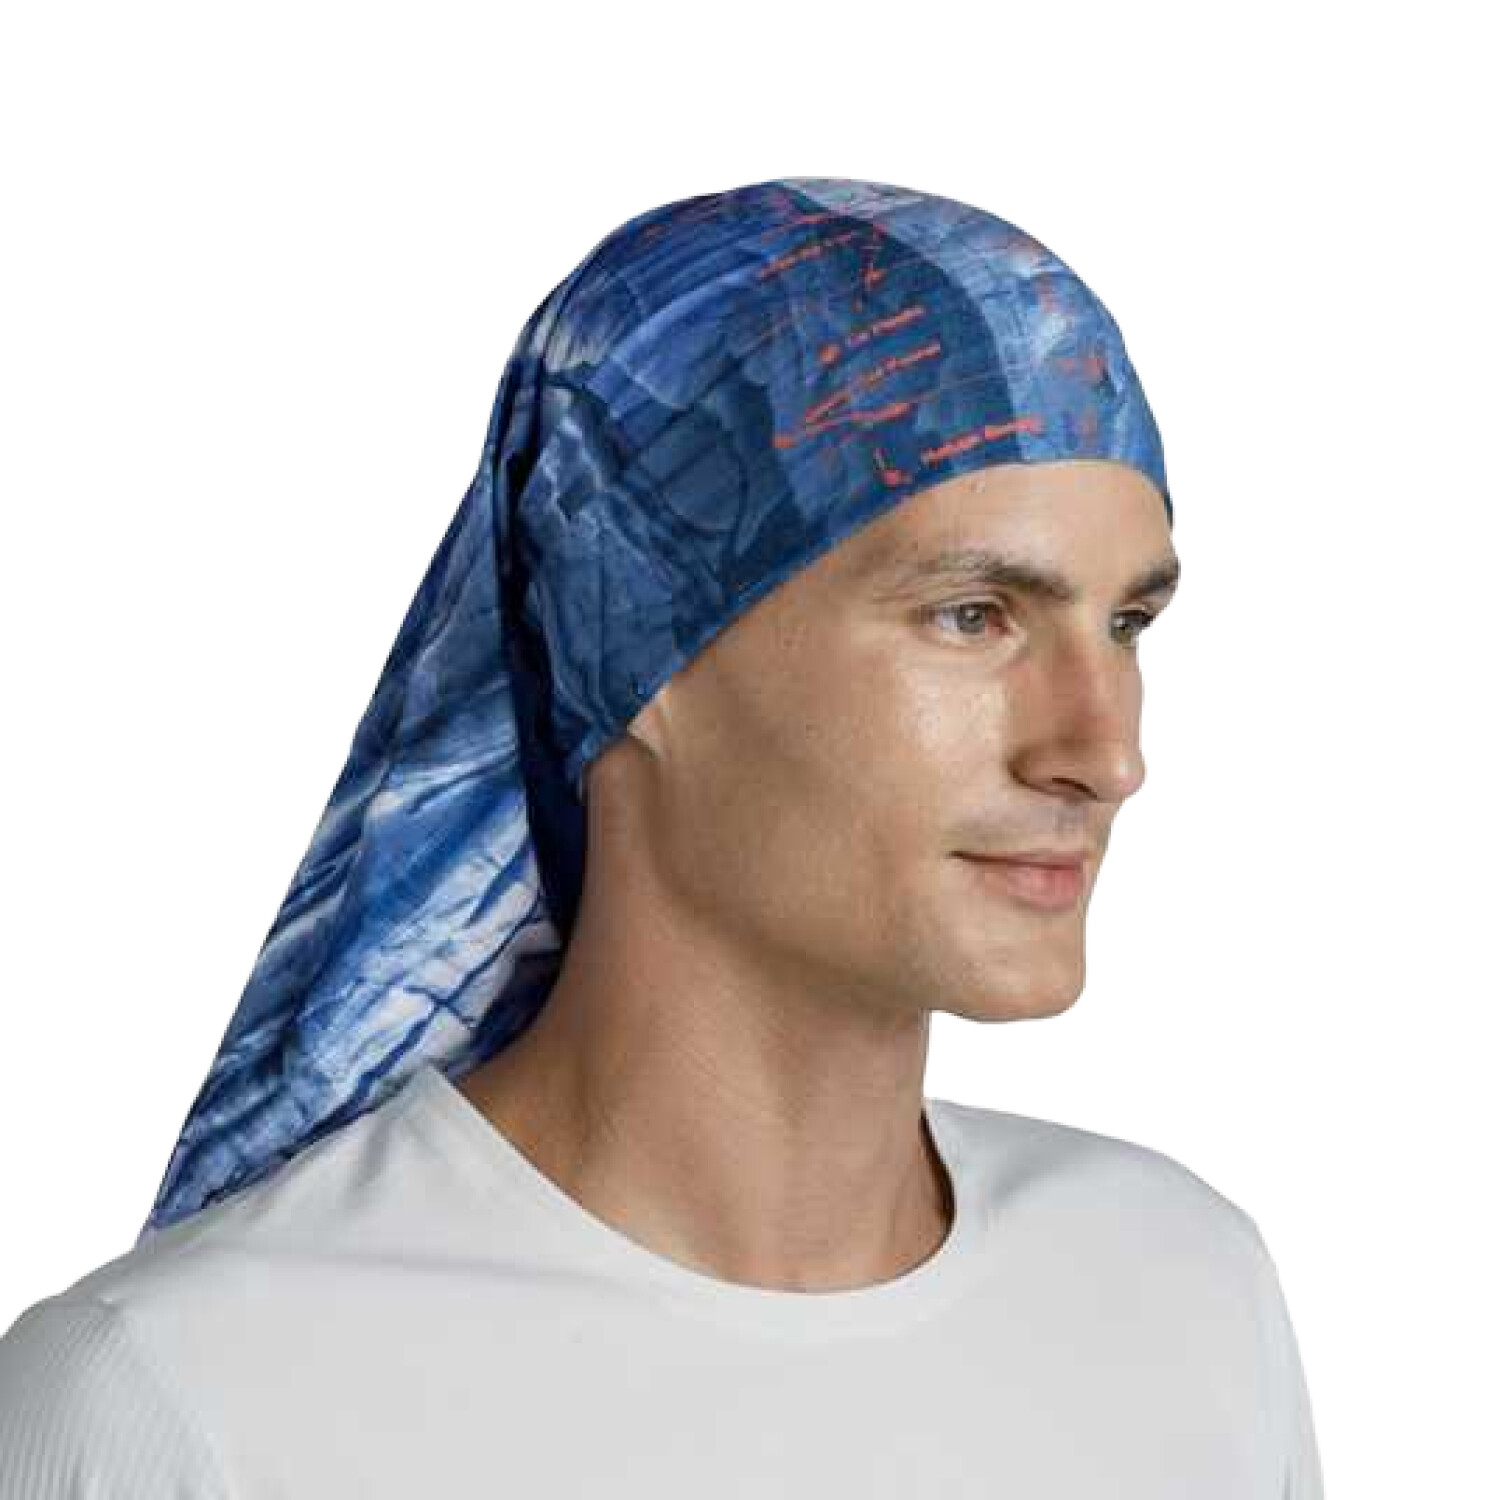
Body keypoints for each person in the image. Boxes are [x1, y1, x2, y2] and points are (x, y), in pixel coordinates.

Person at [0, 176, 1324, 1497]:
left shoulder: (1180, 1297)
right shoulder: (195, 1402)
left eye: (1126, 625)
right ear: (630, 645)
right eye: (972, 616)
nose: (1105, 754)